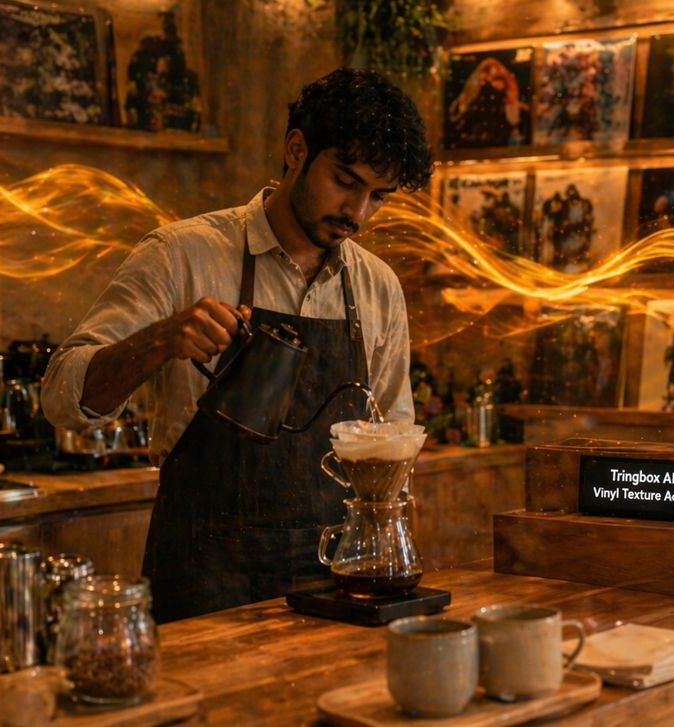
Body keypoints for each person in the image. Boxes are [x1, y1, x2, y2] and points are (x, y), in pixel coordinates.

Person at [42, 68, 434, 623]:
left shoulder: (376, 288)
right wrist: (159, 340)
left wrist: (383, 548)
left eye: (379, 196)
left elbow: (392, 435)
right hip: (203, 571)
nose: (359, 213)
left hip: (335, 577)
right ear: (296, 149)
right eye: (346, 181)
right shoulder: (182, 254)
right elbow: (61, 397)